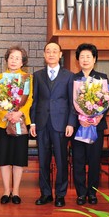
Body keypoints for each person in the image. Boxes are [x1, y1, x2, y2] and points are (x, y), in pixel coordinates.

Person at [30, 42, 75, 207]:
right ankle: (46, 193)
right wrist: (33, 122)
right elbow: (34, 100)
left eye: (54, 51)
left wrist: (71, 123)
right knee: (43, 161)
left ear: (60, 54)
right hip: (42, 123)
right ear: (44, 55)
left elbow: (72, 102)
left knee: (62, 160)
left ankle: (60, 195)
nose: (51, 54)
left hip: (61, 124)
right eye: (48, 51)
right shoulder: (38, 75)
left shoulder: (69, 76)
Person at [0, 46, 33, 205]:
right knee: (3, 158)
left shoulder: (27, 78)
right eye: (11, 57)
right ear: (7, 60)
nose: (14, 60)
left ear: (23, 62)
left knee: (18, 158)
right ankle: (5, 191)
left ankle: (16, 191)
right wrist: (6, 114)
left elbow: (29, 99)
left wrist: (18, 113)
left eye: (18, 58)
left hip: (21, 123)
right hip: (2, 123)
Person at [71, 43, 109, 206]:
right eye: (82, 57)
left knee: (94, 161)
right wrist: (79, 117)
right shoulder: (72, 79)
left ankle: (92, 193)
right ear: (78, 60)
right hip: (79, 127)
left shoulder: (102, 77)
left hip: (96, 126)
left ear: (94, 59)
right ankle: (80, 193)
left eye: (89, 56)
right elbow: (70, 103)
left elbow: (106, 101)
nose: (85, 60)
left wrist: (99, 116)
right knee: (78, 160)